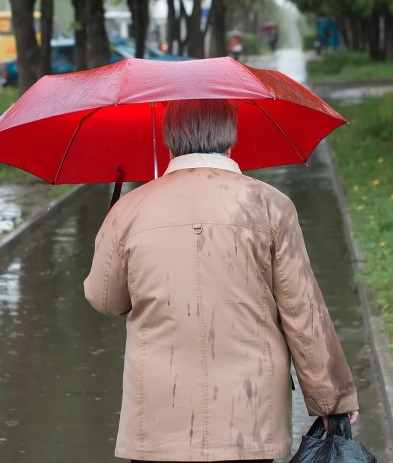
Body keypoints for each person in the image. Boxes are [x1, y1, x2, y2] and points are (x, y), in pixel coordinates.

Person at [84, 99, 359, 463]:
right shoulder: (270, 205)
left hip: (159, 415)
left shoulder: (131, 210)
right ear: (231, 136)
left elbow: (107, 300)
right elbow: (302, 312)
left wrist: (111, 230)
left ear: (169, 138)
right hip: (250, 416)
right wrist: (330, 400)